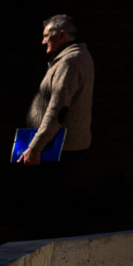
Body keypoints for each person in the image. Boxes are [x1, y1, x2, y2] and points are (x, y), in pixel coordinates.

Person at [18, 14, 94, 233]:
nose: (43, 41)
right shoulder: (72, 58)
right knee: (50, 201)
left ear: (61, 35)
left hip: (57, 145)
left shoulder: (70, 62)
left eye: (46, 36)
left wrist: (36, 146)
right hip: (59, 143)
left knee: (45, 203)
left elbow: (58, 109)